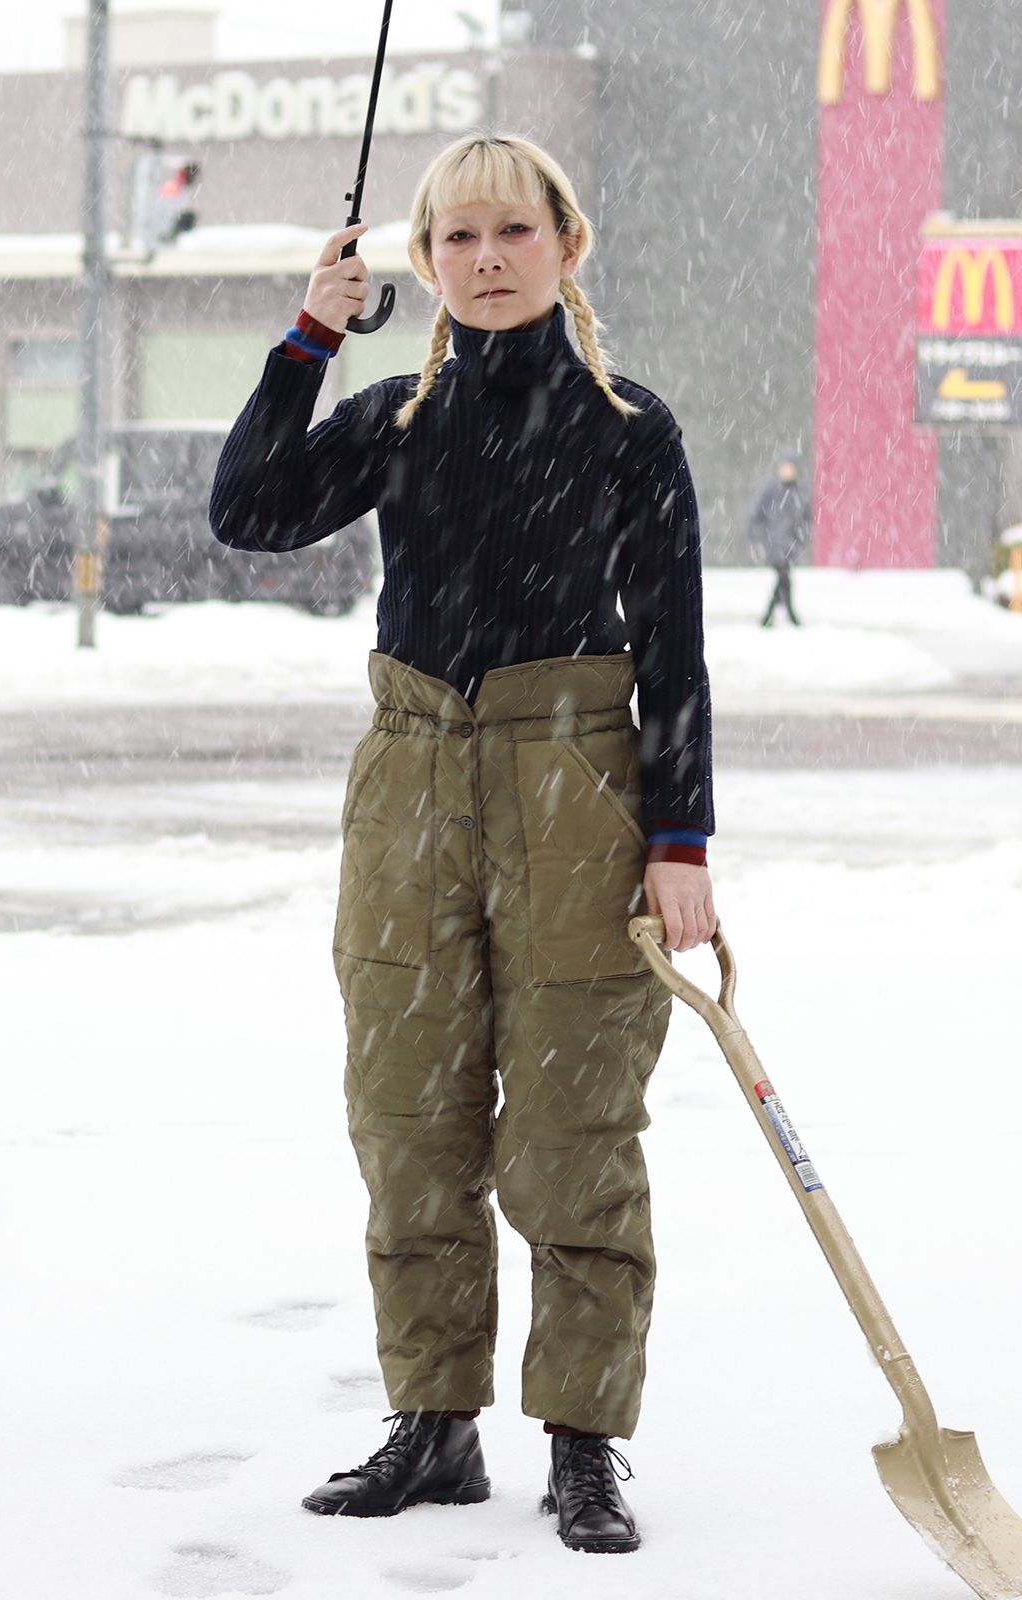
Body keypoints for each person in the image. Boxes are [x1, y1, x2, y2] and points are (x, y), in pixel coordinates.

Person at [208, 134, 715, 1556]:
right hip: (413, 775)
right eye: (456, 240)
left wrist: (681, 836)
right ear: (421, 264)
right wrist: (312, 332)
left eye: (512, 232)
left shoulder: (629, 426)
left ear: (566, 242)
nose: (486, 260)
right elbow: (247, 510)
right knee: (408, 1112)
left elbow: (674, 644)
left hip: (578, 788)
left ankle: (583, 1441)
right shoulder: (400, 418)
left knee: (574, 1127)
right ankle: (431, 1426)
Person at [747, 450, 810, 627]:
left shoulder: (800, 492)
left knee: (784, 580)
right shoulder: (771, 491)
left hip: (791, 545)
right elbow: (755, 515)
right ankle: (782, 616)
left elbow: (805, 519)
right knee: (784, 578)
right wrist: (755, 538)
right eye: (784, 467)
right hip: (774, 545)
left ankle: (773, 617)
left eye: (790, 468)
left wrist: (801, 540)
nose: (787, 471)